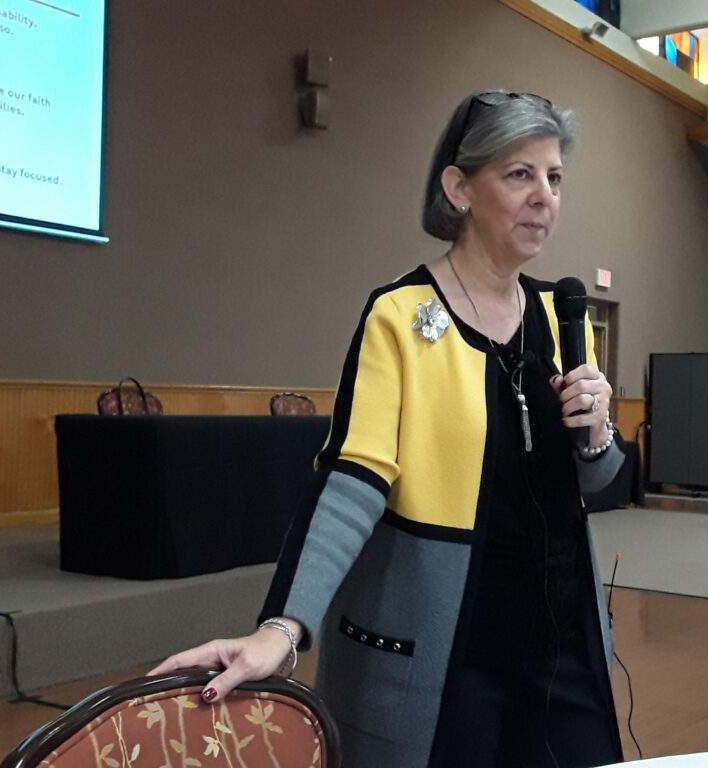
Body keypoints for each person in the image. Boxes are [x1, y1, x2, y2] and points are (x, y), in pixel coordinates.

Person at [150, 90, 627, 768]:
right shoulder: (400, 316)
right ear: (459, 188)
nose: (544, 196)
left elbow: (600, 479)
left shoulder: (562, 316)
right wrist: (283, 630)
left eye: (554, 178)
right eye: (519, 174)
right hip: (447, 651)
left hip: (560, 644)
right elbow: (352, 484)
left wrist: (600, 431)